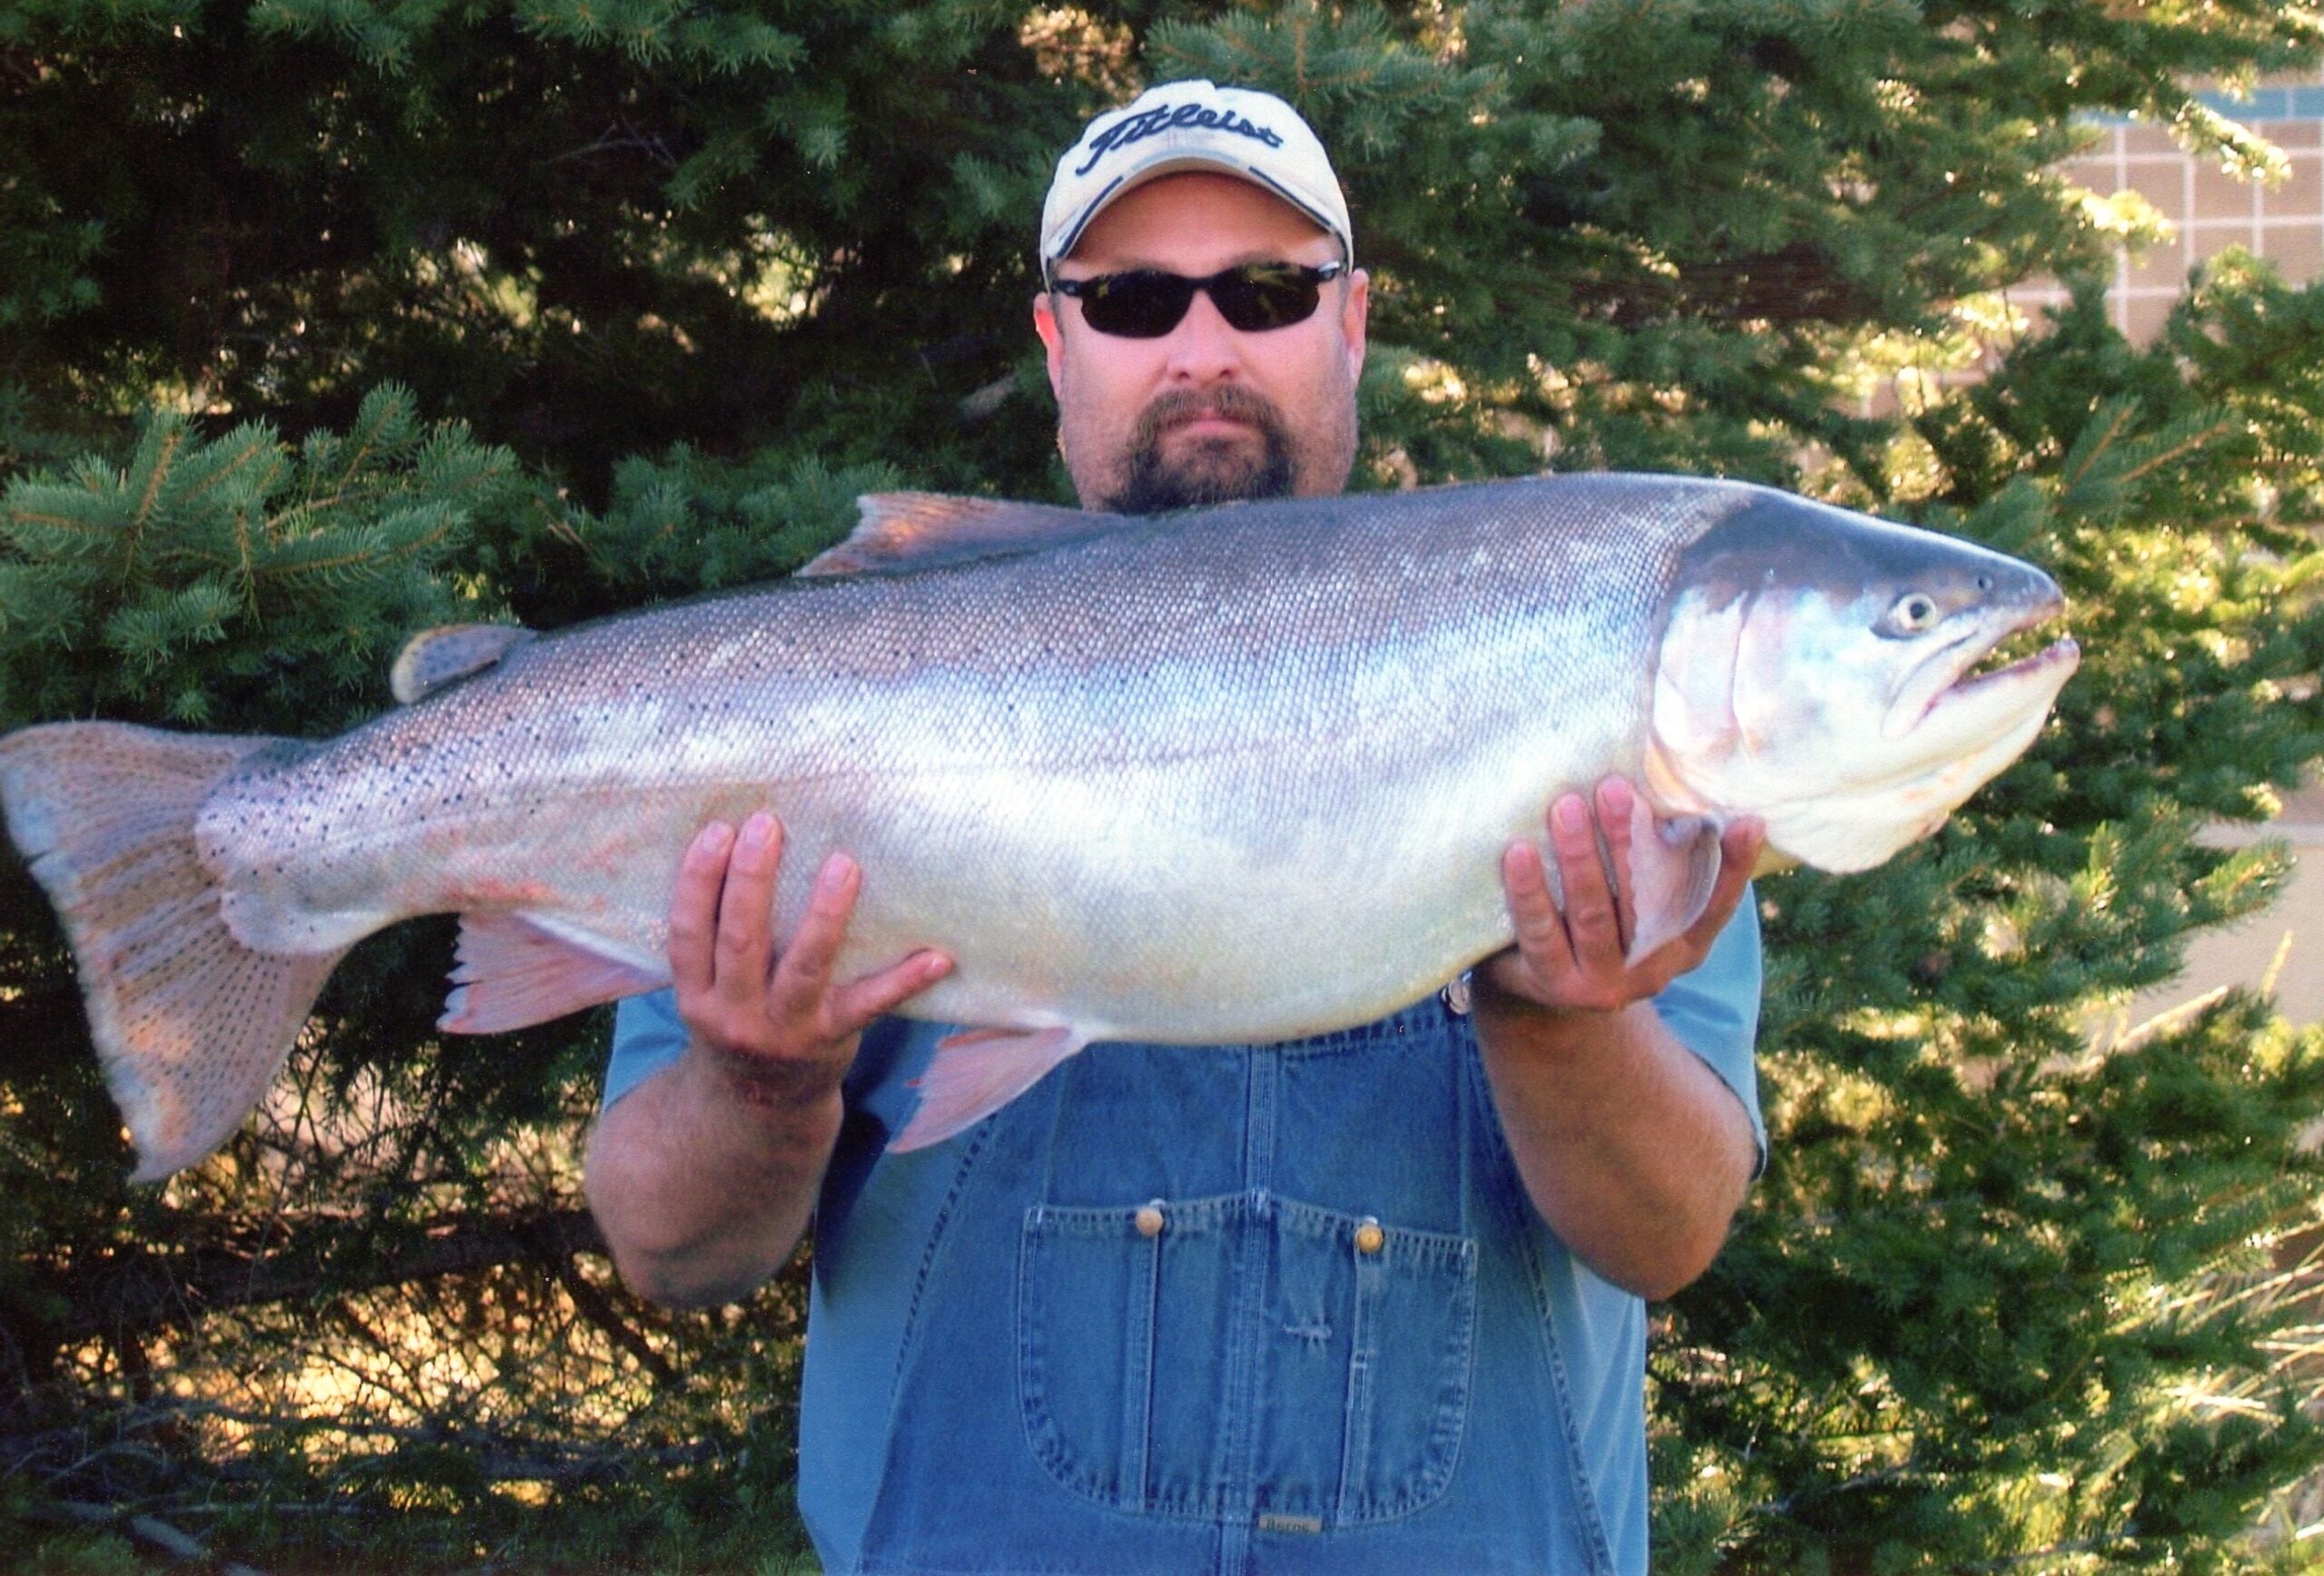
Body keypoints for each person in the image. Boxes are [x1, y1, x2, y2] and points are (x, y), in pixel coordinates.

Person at [586, 80, 1768, 1575]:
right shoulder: (832, 709)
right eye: (1137, 299)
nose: (1203, 350)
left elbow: (1667, 1236)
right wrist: (762, 1086)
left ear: (1351, 320)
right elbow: (671, 1250)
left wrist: (1564, 1024)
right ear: (1056, 340)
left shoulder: (1575, 686)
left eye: (1266, 293)